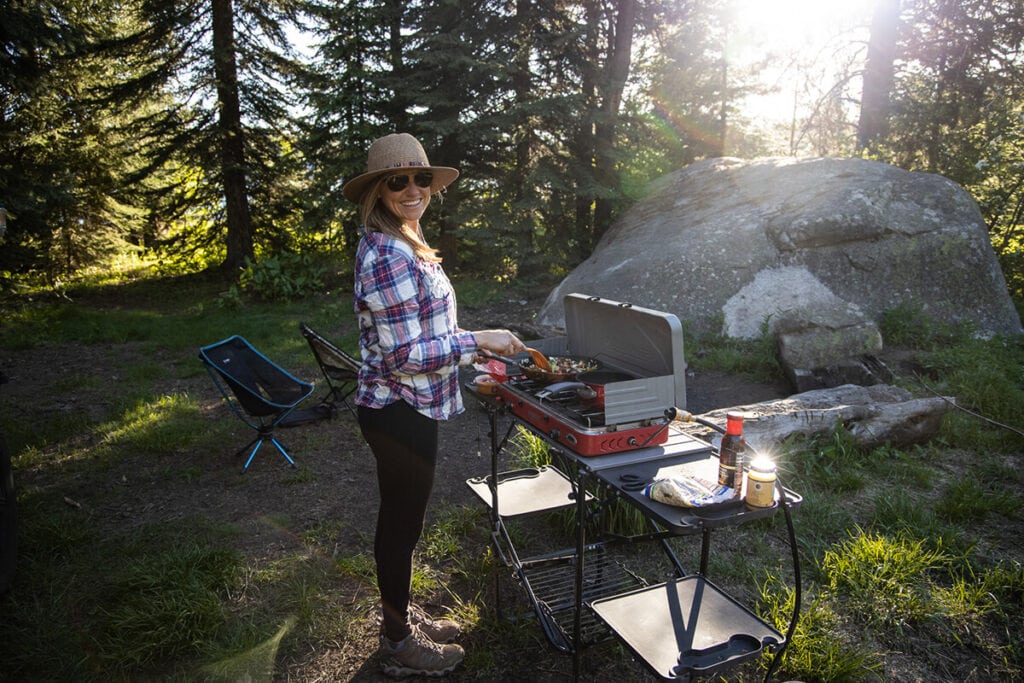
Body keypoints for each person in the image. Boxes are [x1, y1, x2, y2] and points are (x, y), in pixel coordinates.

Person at [342, 132, 526, 678]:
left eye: (421, 177)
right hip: (398, 409)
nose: (413, 188)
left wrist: (476, 346)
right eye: (397, 181)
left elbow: (428, 331)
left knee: (406, 523)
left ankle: (400, 617)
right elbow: (403, 355)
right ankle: (398, 641)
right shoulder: (387, 254)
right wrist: (477, 341)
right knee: (400, 526)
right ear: (378, 191)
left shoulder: (406, 242)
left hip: (414, 407)